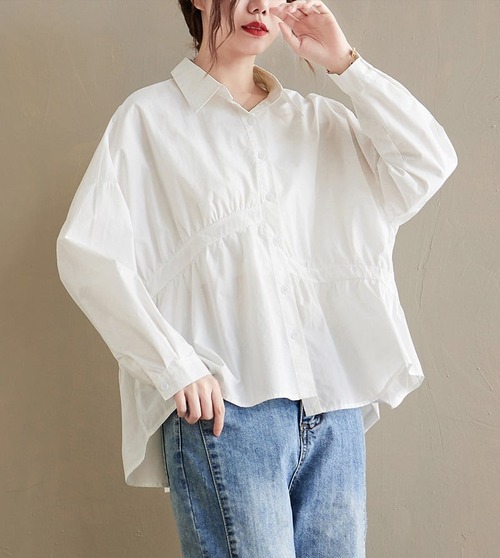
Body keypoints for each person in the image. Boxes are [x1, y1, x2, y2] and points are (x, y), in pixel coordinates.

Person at [56, 0, 457, 556]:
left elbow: (428, 161)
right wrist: (173, 365)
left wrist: (345, 63)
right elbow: (88, 252)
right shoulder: (149, 120)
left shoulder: (318, 121)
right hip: (229, 414)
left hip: (333, 411)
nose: (260, 6)